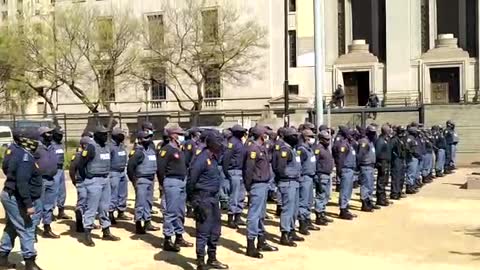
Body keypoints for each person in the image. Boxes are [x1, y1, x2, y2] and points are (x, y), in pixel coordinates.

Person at [0, 128, 43, 270]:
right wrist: (28, 204)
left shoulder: (19, 152)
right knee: (27, 227)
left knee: (12, 227)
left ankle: (2, 257)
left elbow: (6, 168)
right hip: (16, 196)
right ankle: (30, 262)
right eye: (36, 141)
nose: (38, 144)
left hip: (13, 194)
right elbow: (21, 183)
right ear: (29, 142)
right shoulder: (25, 157)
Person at [187, 134, 229, 270]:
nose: (221, 146)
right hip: (202, 198)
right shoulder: (202, 159)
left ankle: (212, 258)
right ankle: (200, 261)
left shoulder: (214, 158)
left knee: (215, 230)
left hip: (213, 198)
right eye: (219, 144)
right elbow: (191, 180)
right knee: (203, 231)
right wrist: (193, 200)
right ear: (212, 144)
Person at [78, 125, 120, 247]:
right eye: (102, 134)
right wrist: (87, 179)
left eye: (106, 133)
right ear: (96, 135)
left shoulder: (107, 147)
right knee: (91, 208)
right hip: (93, 180)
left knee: (104, 207)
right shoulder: (91, 147)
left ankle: (106, 231)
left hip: (105, 179)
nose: (105, 136)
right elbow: (81, 165)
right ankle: (87, 234)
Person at [243, 126, 278, 259]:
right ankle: (250, 245)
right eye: (265, 134)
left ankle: (261, 241)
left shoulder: (261, 147)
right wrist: (248, 187)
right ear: (261, 135)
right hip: (256, 185)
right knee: (254, 215)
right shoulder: (253, 148)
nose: (267, 136)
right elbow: (248, 169)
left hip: (263, 184)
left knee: (261, 214)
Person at [157, 127, 193, 252]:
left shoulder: (180, 149)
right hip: (171, 182)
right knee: (171, 211)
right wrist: (162, 184)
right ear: (173, 135)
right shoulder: (166, 150)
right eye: (180, 134)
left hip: (182, 181)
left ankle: (179, 236)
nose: (182, 136)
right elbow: (160, 169)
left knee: (180, 211)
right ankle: (167, 239)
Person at [273, 127, 304, 246]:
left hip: (295, 182)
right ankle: (285, 234)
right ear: (287, 137)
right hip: (287, 183)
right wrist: (286, 177)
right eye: (293, 136)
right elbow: (280, 168)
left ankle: (291, 230)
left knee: (294, 209)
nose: (296, 138)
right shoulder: (284, 149)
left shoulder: (293, 149)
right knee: (287, 209)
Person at [127, 130, 160, 235]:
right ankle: (138, 224)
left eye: (149, 137)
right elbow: (130, 168)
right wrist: (134, 180)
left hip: (151, 179)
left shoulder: (151, 150)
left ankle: (147, 222)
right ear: (140, 140)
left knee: (148, 202)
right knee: (140, 202)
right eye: (145, 138)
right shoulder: (137, 152)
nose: (148, 140)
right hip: (141, 179)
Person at [36, 126, 60, 238]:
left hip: (51, 179)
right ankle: (33, 230)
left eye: (51, 133)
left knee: (49, 205)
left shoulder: (52, 147)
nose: (50, 135)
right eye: (47, 133)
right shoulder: (36, 147)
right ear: (41, 135)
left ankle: (47, 227)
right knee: (38, 205)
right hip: (40, 180)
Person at [222, 124, 247, 229]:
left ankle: (238, 216)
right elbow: (227, 158)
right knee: (234, 195)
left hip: (240, 171)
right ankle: (231, 218)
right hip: (234, 171)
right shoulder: (232, 142)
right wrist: (226, 171)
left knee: (241, 195)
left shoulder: (240, 142)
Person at [296, 129, 320, 235]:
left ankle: (307, 220)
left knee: (310, 201)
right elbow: (298, 165)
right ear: (306, 138)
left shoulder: (309, 149)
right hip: (304, 178)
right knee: (303, 201)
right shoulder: (301, 150)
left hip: (310, 177)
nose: (313, 138)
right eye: (311, 136)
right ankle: (302, 223)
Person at [332, 127, 357, 220]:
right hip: (345, 170)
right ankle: (343, 209)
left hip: (350, 170)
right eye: (350, 134)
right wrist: (340, 171)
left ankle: (346, 207)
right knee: (345, 190)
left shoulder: (349, 144)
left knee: (349, 190)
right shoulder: (343, 145)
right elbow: (340, 160)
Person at [69, 136, 92, 233]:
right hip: (81, 181)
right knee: (82, 202)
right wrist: (74, 181)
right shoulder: (78, 156)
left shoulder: (91, 155)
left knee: (89, 203)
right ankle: (79, 224)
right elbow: (72, 170)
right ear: (82, 145)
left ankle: (88, 222)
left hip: (90, 181)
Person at [313, 130, 334, 226]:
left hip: (327, 174)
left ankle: (323, 212)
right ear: (321, 139)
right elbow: (315, 163)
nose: (328, 141)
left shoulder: (326, 148)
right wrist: (317, 175)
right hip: (321, 175)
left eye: (329, 139)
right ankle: (319, 215)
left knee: (326, 195)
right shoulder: (318, 149)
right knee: (320, 195)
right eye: (326, 139)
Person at [109, 128, 130, 224]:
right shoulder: (110, 146)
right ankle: (110, 213)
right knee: (113, 193)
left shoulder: (121, 146)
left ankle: (121, 211)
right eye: (120, 135)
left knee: (123, 193)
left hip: (122, 171)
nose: (122, 136)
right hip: (113, 172)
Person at [357, 125, 379, 212]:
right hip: (365, 166)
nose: (373, 134)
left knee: (370, 185)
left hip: (371, 166)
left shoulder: (371, 141)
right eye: (372, 133)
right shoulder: (364, 142)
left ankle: (369, 201)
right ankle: (365, 202)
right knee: (365, 185)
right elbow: (360, 155)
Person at [51, 127, 71, 220]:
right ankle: (49, 213)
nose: (60, 136)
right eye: (59, 134)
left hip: (61, 169)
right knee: (53, 192)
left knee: (62, 191)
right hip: (53, 170)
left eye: (61, 134)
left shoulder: (61, 144)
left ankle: (61, 211)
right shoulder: (50, 144)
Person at [375, 124, 392, 206]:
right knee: (381, 181)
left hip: (386, 162)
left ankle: (383, 198)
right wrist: (379, 163)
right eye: (389, 130)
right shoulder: (380, 140)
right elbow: (377, 153)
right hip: (382, 162)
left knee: (385, 180)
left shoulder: (386, 139)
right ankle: (380, 199)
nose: (390, 131)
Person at [390, 126, 407, 200]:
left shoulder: (402, 139)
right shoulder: (394, 139)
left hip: (401, 159)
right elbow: (390, 149)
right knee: (396, 176)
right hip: (396, 159)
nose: (402, 133)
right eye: (401, 131)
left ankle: (399, 191)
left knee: (401, 176)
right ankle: (394, 193)